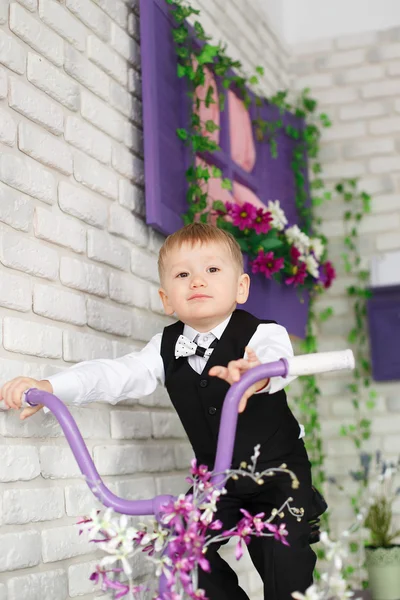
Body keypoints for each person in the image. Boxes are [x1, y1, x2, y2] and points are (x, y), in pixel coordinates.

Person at [1, 223, 318, 600]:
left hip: (278, 474)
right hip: (217, 481)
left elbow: (276, 360)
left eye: (212, 270)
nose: (197, 280)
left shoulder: (264, 334)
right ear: (168, 299)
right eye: (184, 274)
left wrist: (254, 374)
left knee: (285, 568)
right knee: (182, 551)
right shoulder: (164, 346)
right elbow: (115, 374)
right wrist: (52, 386)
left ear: (241, 287)